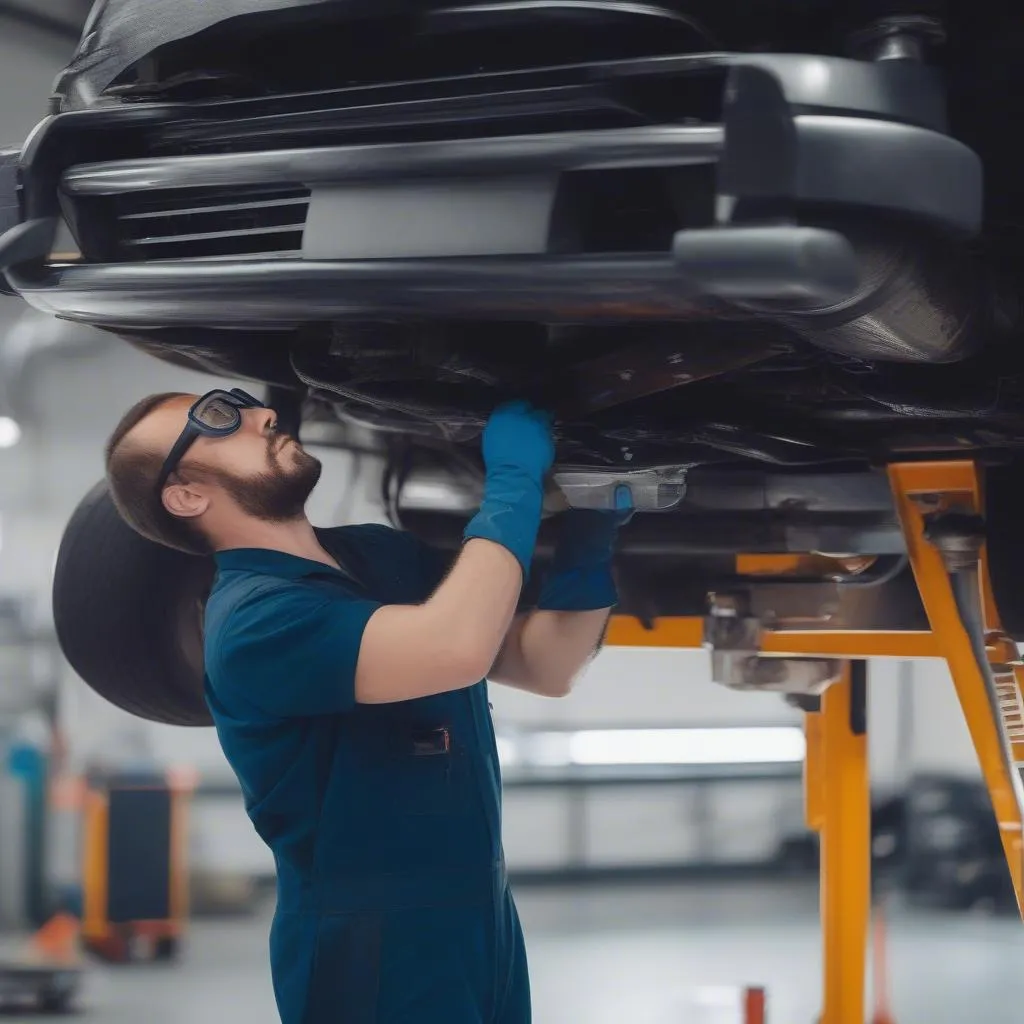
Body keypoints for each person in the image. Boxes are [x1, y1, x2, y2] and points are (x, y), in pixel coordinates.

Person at [102, 386, 631, 1024]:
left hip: (481, 916)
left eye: (244, 403)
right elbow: (457, 646)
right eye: (219, 421)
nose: (264, 415)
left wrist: (588, 546)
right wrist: (513, 481)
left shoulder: (376, 555)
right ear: (187, 494)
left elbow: (542, 665)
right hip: (372, 945)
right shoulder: (256, 623)